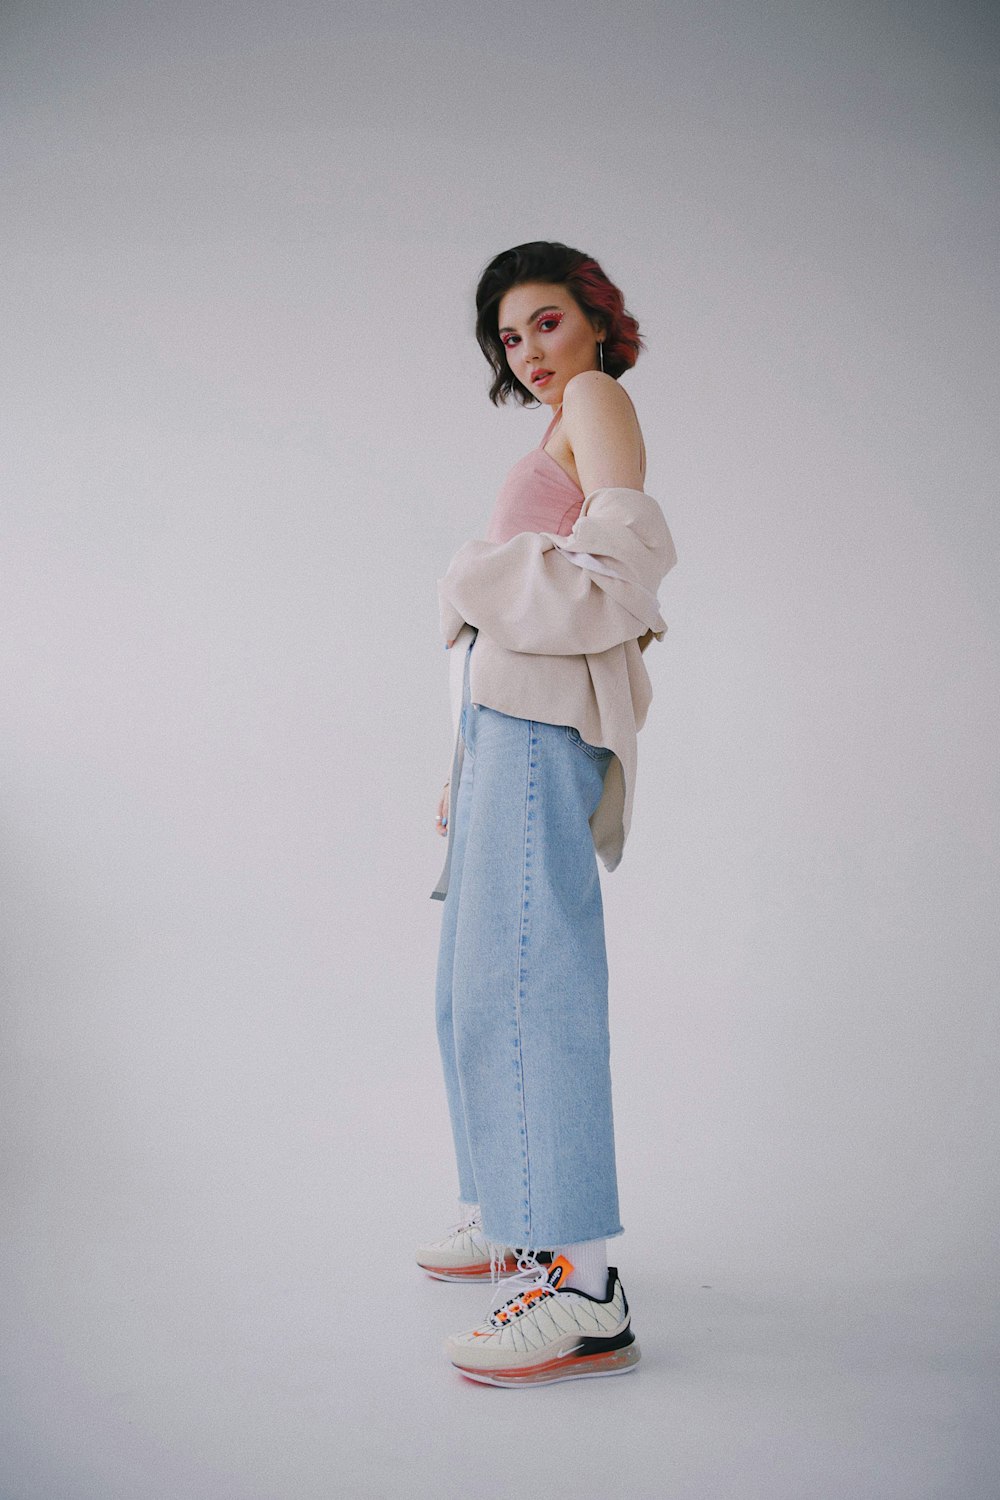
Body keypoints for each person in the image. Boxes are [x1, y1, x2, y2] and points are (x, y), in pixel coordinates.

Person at [416, 240, 677, 1387]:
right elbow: (535, 599)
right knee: (472, 979)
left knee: (529, 978)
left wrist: (471, 573)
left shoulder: (597, 396)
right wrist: (458, 751)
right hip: (498, 732)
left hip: (536, 730)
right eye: (510, 337)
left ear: (597, 323)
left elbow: (624, 573)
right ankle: (517, 1212)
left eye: (546, 324)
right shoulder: (555, 420)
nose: (529, 352)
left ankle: (583, 1288)